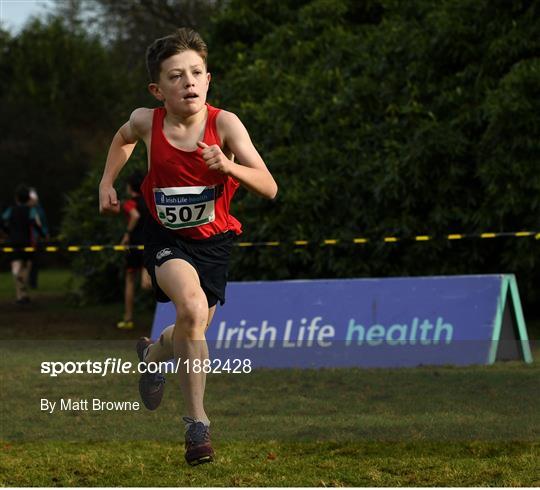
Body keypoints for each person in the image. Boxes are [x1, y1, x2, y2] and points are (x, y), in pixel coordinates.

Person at [98, 27, 278, 465]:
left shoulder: (225, 123)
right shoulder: (146, 121)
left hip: (214, 242)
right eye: (176, 76)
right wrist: (107, 181)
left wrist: (230, 165)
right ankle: (197, 426)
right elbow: (122, 139)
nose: (189, 82)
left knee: (191, 328)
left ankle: (152, 354)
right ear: (158, 89)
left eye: (196, 73)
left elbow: (269, 187)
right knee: (193, 311)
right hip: (165, 239)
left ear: (208, 80)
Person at [117, 172, 152, 330]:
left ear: (130, 187)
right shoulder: (150, 201)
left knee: (130, 280)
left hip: (134, 245)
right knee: (148, 282)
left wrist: (127, 233)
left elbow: (135, 215)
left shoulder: (130, 203)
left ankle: (128, 318)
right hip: (150, 243)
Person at [1, 185, 44, 304]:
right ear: (28, 198)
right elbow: (34, 223)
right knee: (26, 267)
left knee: (16, 266)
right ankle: (24, 293)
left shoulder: (11, 210)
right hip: (27, 242)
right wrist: (42, 234)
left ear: (16, 198)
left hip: (14, 242)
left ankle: (20, 295)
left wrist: (7, 231)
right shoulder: (30, 210)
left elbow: (2, 221)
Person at [28, 188, 50, 290]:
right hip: (28, 239)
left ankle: (33, 283)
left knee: (35, 262)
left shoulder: (39, 209)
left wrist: (45, 234)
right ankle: (27, 282)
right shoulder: (27, 209)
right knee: (28, 262)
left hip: (37, 239)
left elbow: (44, 223)